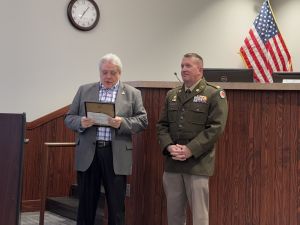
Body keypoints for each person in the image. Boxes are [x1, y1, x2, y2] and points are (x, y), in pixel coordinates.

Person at [65, 53, 148, 225]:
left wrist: (122, 123)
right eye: (104, 72)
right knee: (86, 205)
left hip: (115, 154)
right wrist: (81, 121)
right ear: (99, 72)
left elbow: (142, 121)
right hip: (89, 154)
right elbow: (69, 117)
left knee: (116, 206)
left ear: (120, 73)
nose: (108, 77)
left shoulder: (133, 94)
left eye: (113, 72)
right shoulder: (84, 90)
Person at [156, 53, 228, 225]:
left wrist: (190, 150)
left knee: (199, 217)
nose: (183, 69)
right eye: (182, 66)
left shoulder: (214, 93)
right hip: (173, 163)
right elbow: (162, 126)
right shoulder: (172, 94)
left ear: (200, 69)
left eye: (188, 66)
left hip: (197, 164)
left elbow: (216, 128)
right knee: (174, 215)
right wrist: (169, 147)